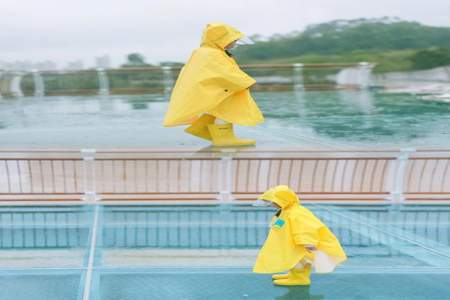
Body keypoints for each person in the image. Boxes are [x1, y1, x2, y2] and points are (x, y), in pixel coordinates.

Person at [163, 23, 264, 146]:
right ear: (221, 39)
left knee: (218, 109)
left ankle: (204, 129)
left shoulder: (205, 51)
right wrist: (248, 83)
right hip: (217, 88)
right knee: (226, 110)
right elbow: (225, 72)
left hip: (212, 88)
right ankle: (224, 139)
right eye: (232, 40)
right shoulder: (213, 54)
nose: (234, 43)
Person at [253, 185, 347, 286]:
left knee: (301, 262)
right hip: (294, 243)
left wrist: (307, 242)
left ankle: (300, 279)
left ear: (283, 200)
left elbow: (306, 228)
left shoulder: (297, 213)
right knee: (293, 260)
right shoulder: (287, 210)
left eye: (274, 203)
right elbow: (281, 223)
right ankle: (293, 275)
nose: (273, 205)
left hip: (303, 245)